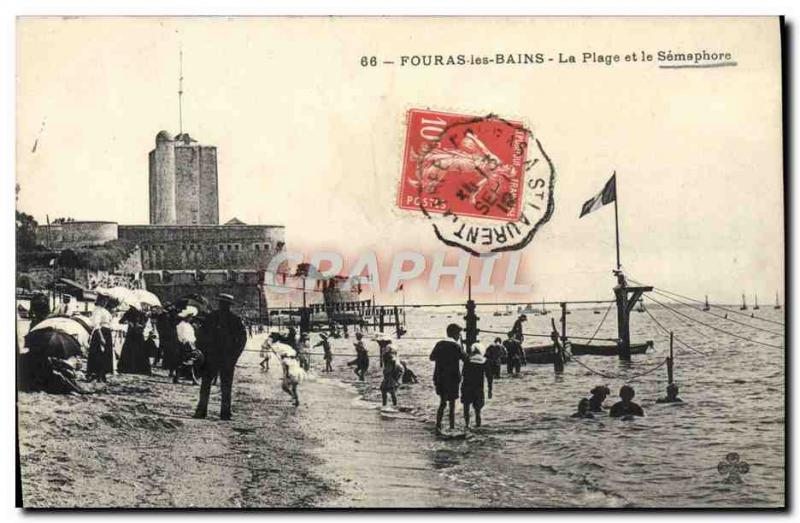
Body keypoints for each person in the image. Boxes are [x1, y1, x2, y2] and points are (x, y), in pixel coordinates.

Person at [193, 294, 247, 421]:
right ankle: (225, 413)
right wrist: (234, 357)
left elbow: (200, 336)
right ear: (229, 305)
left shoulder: (211, 318)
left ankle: (201, 412)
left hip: (212, 357)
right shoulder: (235, 320)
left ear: (220, 304)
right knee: (226, 386)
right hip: (227, 359)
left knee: (206, 385)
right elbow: (242, 341)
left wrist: (204, 352)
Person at [430, 323, 466, 433]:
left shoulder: (439, 344)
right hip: (453, 378)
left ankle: (438, 425)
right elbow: (466, 359)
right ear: (455, 334)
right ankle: (452, 426)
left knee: (442, 403)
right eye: (459, 334)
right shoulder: (456, 346)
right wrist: (461, 345)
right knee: (452, 404)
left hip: (440, 377)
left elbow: (432, 357)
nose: (459, 336)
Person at [86, 294, 114, 383]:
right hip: (100, 332)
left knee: (105, 354)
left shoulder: (105, 310)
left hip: (107, 332)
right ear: (100, 300)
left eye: (106, 301)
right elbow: (96, 324)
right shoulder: (97, 310)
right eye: (104, 300)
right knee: (98, 354)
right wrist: (101, 336)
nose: (105, 302)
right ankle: (97, 374)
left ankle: (103, 374)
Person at [117, 305, 151, 375]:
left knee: (139, 350)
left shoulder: (143, 314)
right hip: (131, 333)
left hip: (138, 333)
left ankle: (138, 368)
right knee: (129, 350)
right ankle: (128, 368)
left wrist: (140, 325)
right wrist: (129, 322)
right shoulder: (129, 312)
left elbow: (144, 324)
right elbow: (121, 321)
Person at [461, 343, 487, 429]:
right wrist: (490, 389)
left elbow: (463, 374)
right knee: (477, 410)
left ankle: (467, 424)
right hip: (479, 387)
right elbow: (488, 376)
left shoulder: (468, 361)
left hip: (467, 386)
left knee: (466, 407)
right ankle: (478, 424)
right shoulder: (483, 361)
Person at [174, 306, 201, 385]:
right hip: (185, 345)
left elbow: (192, 336)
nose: (191, 318)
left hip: (190, 344)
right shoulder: (181, 325)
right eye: (190, 317)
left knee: (188, 362)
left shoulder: (188, 325)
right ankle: (191, 379)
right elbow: (182, 336)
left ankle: (179, 377)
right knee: (186, 361)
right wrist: (186, 343)